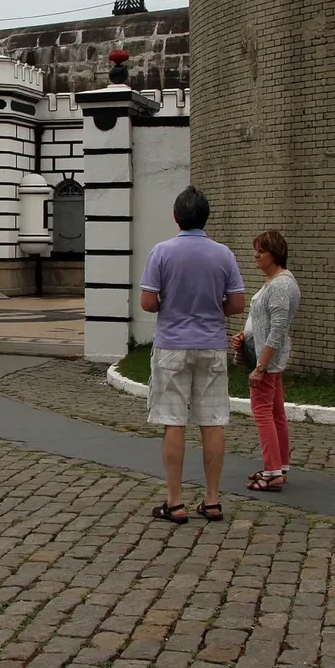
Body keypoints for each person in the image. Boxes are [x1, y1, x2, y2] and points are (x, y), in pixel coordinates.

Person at [140, 186, 247, 523]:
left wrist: (170, 303)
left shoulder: (161, 252)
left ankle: (175, 501)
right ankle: (212, 500)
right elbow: (237, 303)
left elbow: (148, 302)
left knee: (173, 421)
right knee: (212, 421)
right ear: (206, 218)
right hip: (211, 344)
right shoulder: (224, 254)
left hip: (172, 344)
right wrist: (212, 306)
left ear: (176, 217)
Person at [231, 229, 301, 492]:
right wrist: (244, 335)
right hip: (266, 357)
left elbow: (278, 329)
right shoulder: (272, 282)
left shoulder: (281, 285)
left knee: (262, 412)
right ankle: (279, 466)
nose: (256, 255)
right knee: (275, 412)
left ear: (275, 254)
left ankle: (272, 471)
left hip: (268, 361)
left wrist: (261, 366)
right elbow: (263, 321)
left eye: (262, 250)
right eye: (256, 250)